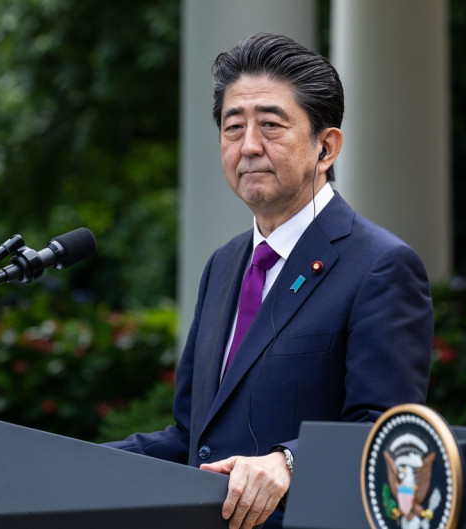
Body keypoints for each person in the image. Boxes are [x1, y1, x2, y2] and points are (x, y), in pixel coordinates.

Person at [106, 32, 433, 529]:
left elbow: (388, 434)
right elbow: (192, 437)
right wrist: (69, 458)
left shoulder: (381, 265)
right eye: (233, 127)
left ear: (326, 147)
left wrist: (288, 461)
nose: (249, 146)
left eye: (271, 126)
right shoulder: (224, 264)